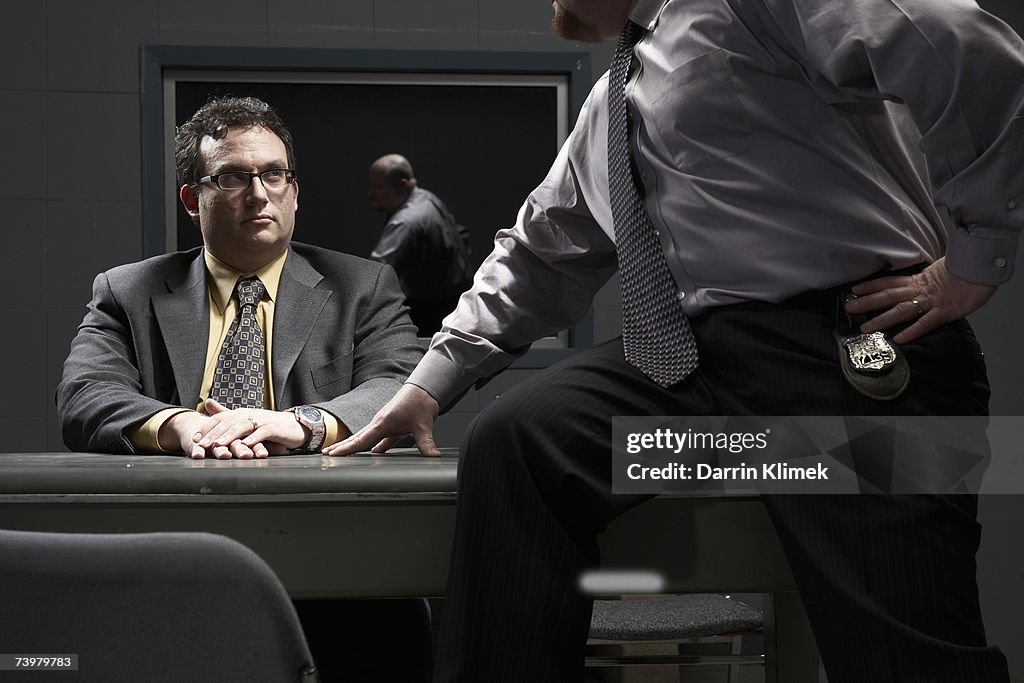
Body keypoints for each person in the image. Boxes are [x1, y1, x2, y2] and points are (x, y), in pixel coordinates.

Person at [325, 0, 1024, 681]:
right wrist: (429, 382)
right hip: (697, 382)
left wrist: (974, 261)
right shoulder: (613, 101)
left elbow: (964, 46)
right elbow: (539, 252)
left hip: (839, 360)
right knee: (521, 440)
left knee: (903, 657)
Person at [56, 96, 431, 682]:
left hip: (333, 556)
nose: (259, 193)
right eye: (233, 177)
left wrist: (302, 423)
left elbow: (400, 384)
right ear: (192, 199)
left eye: (274, 175)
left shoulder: (363, 285)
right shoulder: (128, 291)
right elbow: (84, 393)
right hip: (170, 552)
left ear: (294, 191)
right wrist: (180, 426)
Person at [368, 154, 473, 334]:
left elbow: (375, 274)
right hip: (453, 305)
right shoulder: (429, 199)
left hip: (427, 313)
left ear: (401, 185)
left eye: (378, 187)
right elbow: (462, 235)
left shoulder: (406, 221)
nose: (371, 194)